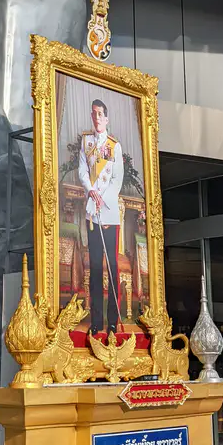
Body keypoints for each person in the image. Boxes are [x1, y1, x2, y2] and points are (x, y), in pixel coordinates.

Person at [78, 98, 124, 333]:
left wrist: (102, 199)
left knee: (112, 266)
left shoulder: (114, 146)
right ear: (92, 116)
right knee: (95, 267)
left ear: (106, 118)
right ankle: (97, 323)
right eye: (94, 114)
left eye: (101, 114)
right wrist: (92, 191)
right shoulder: (86, 142)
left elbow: (117, 179)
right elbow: (82, 170)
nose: (97, 118)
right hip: (91, 214)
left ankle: (113, 321)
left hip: (108, 214)